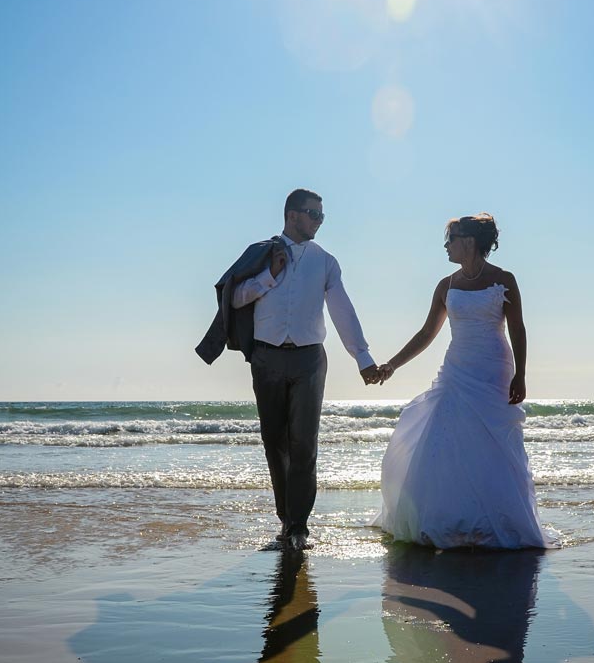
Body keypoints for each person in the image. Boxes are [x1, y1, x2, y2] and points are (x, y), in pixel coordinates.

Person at [374, 213, 557, 550]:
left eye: (451, 239)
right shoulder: (446, 285)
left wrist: (522, 373)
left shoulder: (504, 280)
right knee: (441, 443)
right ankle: (450, 523)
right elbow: (427, 333)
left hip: (493, 372)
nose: (446, 246)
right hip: (456, 371)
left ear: (469, 242)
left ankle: (492, 524)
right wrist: (391, 365)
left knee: (492, 449)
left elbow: (517, 328)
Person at [232, 189, 377, 550]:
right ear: (292, 215)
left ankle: (299, 527)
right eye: (313, 214)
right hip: (266, 358)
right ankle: (285, 519)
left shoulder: (326, 261)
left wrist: (362, 357)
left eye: (321, 216)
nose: (318, 221)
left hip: (309, 359)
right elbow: (233, 298)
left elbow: (343, 310)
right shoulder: (261, 253)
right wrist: (268, 276)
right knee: (274, 442)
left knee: (304, 445)